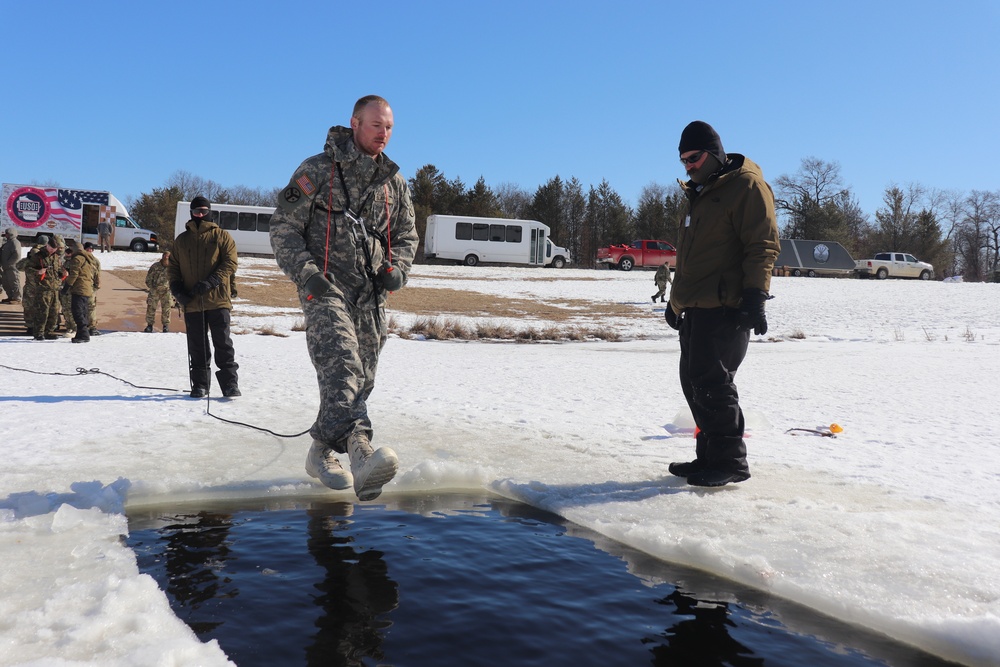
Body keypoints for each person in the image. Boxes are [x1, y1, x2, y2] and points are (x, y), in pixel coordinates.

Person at [270, 94, 418, 502]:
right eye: (376, 125)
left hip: (371, 296)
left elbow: (407, 235)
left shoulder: (393, 183)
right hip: (325, 289)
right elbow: (283, 227)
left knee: (361, 378)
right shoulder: (317, 170)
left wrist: (398, 270)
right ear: (355, 123)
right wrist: (307, 274)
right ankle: (361, 453)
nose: (384, 134)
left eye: (389, 127)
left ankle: (320, 451)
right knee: (342, 362)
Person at [664, 121, 780, 487]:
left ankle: (731, 462)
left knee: (713, 384)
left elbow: (762, 246)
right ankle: (709, 458)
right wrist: (675, 302)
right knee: (693, 383)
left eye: (694, 158)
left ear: (714, 153)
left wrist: (755, 297)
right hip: (696, 307)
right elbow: (690, 258)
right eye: (683, 160)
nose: (688, 166)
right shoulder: (700, 194)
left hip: (726, 307)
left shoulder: (747, 187)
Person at [169, 196, 240, 398]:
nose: (200, 215)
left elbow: (230, 263)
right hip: (192, 302)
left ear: (209, 212)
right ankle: (200, 385)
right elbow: (173, 267)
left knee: (223, 343)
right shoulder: (182, 240)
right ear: (191, 213)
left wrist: (211, 281)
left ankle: (230, 385)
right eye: (196, 211)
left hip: (218, 300)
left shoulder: (222, 236)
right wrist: (177, 289)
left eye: (203, 211)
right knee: (197, 345)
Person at [62, 238, 99, 343]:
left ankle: (84, 335)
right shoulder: (87, 258)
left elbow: (74, 274)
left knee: (77, 312)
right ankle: (80, 333)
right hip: (87, 288)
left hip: (79, 289)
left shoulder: (77, 259)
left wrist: (66, 287)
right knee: (82, 311)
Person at [32, 235, 67, 340]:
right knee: (42, 311)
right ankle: (39, 332)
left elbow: (58, 270)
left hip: (54, 289)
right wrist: (37, 272)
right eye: (51, 248)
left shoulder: (56, 257)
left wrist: (63, 273)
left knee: (54, 311)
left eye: (54, 249)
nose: (52, 251)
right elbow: (28, 269)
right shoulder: (38, 256)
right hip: (43, 289)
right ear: (47, 245)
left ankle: (49, 331)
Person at [15, 234, 48, 335]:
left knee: (29, 307)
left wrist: (28, 258)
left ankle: (31, 327)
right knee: (43, 307)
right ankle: (43, 326)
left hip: (30, 286)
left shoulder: (33, 253)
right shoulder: (46, 254)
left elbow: (19, 267)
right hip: (43, 286)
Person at [144, 251, 174, 333]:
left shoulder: (172, 268)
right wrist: (152, 287)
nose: (166, 258)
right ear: (162, 257)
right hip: (155, 291)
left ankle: (165, 326)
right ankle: (149, 326)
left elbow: (175, 279)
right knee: (151, 308)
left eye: (168, 257)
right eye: (165, 256)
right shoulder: (155, 266)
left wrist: (172, 289)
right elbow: (148, 279)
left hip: (166, 291)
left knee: (167, 309)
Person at [83, 242, 102, 336]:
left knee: (91, 306)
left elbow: (98, 274)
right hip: (82, 287)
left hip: (91, 287)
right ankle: (82, 326)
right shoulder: (81, 259)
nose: (89, 251)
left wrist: (97, 285)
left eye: (91, 249)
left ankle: (92, 327)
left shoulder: (95, 261)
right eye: (87, 249)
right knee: (82, 306)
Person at [1, 228, 23, 304]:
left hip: (12, 267)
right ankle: (11, 296)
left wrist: (10, 263)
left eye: (7, 233)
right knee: (6, 282)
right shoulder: (8, 242)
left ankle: (17, 298)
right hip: (6, 267)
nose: (5, 235)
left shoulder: (15, 242)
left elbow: (17, 254)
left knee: (14, 282)